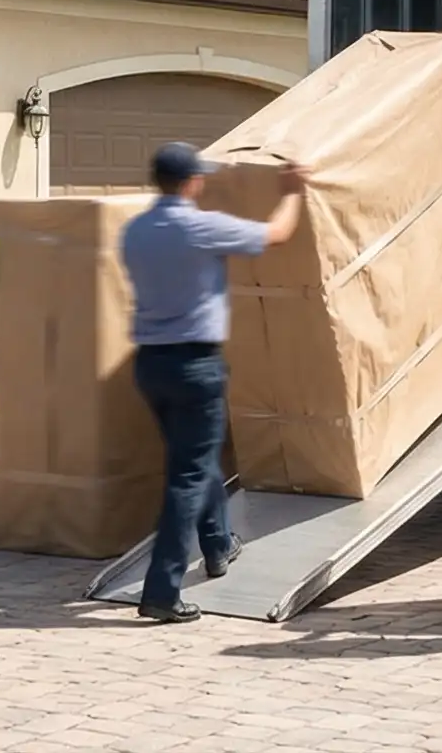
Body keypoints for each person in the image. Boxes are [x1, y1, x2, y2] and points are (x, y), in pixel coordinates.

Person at [119, 141, 307, 623]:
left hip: (150, 366)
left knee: (193, 460)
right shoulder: (200, 226)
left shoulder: (134, 232)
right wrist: (293, 191)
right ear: (192, 182)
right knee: (187, 473)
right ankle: (162, 590)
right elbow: (278, 235)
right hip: (194, 365)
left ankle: (219, 543)